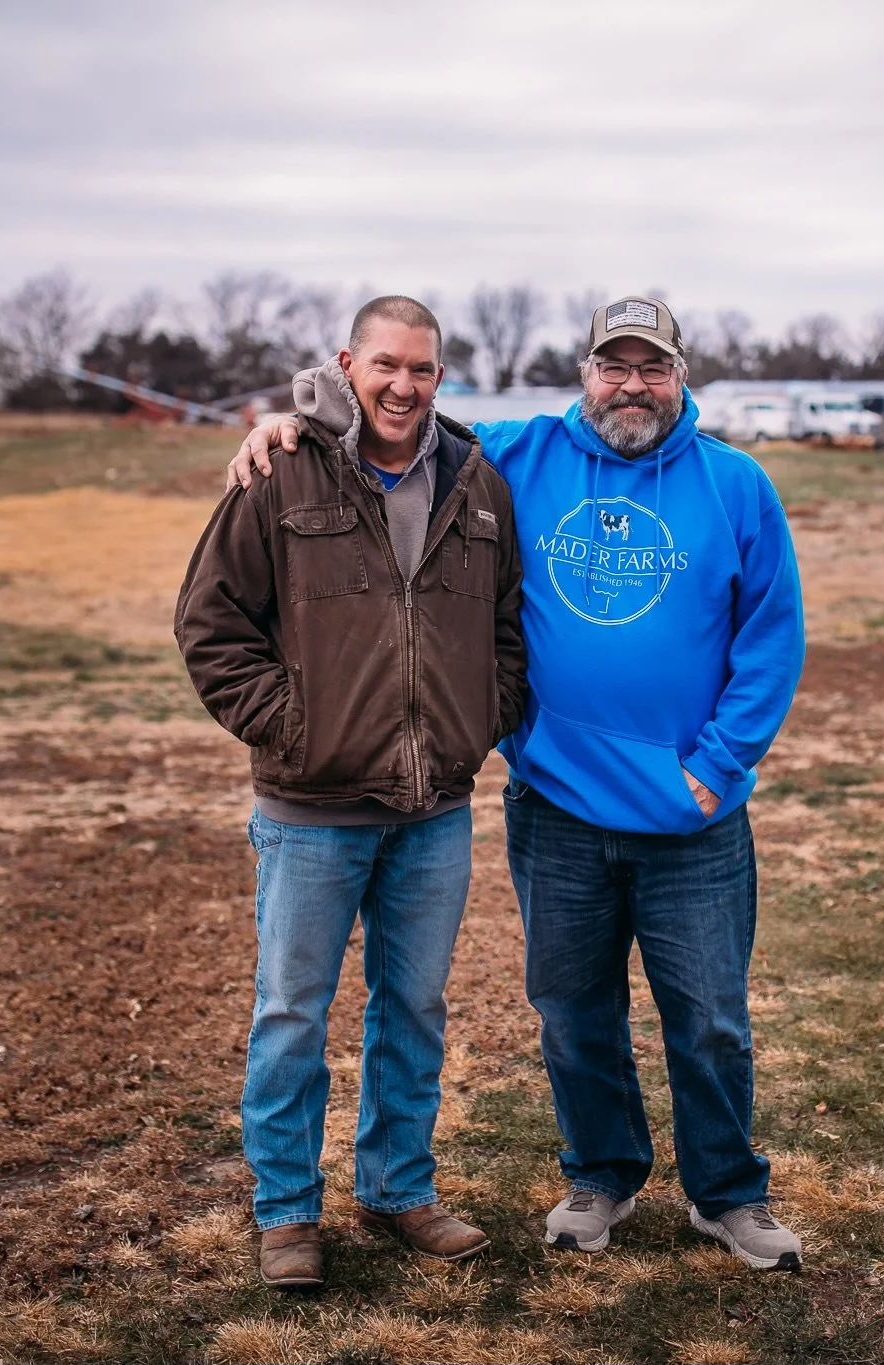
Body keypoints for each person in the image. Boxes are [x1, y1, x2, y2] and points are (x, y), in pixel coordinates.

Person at [227, 296, 809, 1271]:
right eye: (611, 366)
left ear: (680, 376)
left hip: (693, 816)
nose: (631, 385)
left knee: (707, 1020)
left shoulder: (736, 486)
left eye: (651, 366)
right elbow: (393, 417)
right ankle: (601, 1177)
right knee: (574, 1012)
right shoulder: (512, 458)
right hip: (559, 808)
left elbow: (769, 638)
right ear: (582, 374)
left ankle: (727, 1194)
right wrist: (296, 419)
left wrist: (716, 769)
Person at [175, 295, 526, 1289]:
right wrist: (293, 726)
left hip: (434, 810)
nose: (402, 386)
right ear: (345, 363)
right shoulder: (280, 473)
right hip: (311, 812)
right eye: (384, 366)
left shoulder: (477, 484)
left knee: (412, 1011)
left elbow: (506, 631)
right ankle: (286, 1213)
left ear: (439, 377)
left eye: (420, 370)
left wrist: (475, 718)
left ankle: (397, 1188)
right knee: (291, 1014)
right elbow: (210, 624)